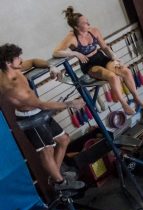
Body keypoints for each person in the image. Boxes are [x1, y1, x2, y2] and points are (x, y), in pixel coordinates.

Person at [0, 44, 85, 192]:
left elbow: (33, 61)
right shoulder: (11, 86)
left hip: (37, 111)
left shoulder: (15, 69)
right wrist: (70, 103)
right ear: (8, 62)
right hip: (30, 118)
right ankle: (61, 183)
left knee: (63, 139)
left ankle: (55, 176)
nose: (21, 59)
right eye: (17, 58)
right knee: (46, 151)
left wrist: (51, 66)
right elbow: (42, 105)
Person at [53, 6, 143, 115]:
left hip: (101, 57)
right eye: (85, 23)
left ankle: (136, 98)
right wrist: (75, 53)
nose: (89, 24)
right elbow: (56, 52)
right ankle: (124, 104)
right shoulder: (72, 38)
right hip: (89, 64)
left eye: (87, 21)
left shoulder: (94, 31)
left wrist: (115, 58)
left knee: (126, 71)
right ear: (76, 27)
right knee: (112, 76)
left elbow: (105, 47)